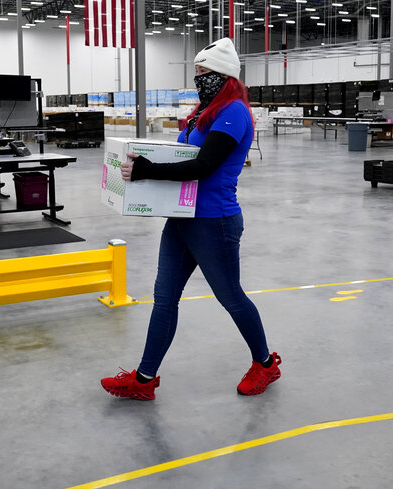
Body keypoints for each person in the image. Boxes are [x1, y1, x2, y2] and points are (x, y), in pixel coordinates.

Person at [101, 37, 281, 401]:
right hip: (182, 219)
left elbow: (203, 165)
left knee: (231, 297)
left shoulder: (233, 112)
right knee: (164, 298)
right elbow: (181, 153)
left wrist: (148, 171)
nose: (199, 80)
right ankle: (144, 378)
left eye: (204, 73)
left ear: (223, 76)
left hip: (214, 221)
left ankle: (265, 364)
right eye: (197, 74)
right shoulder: (205, 112)